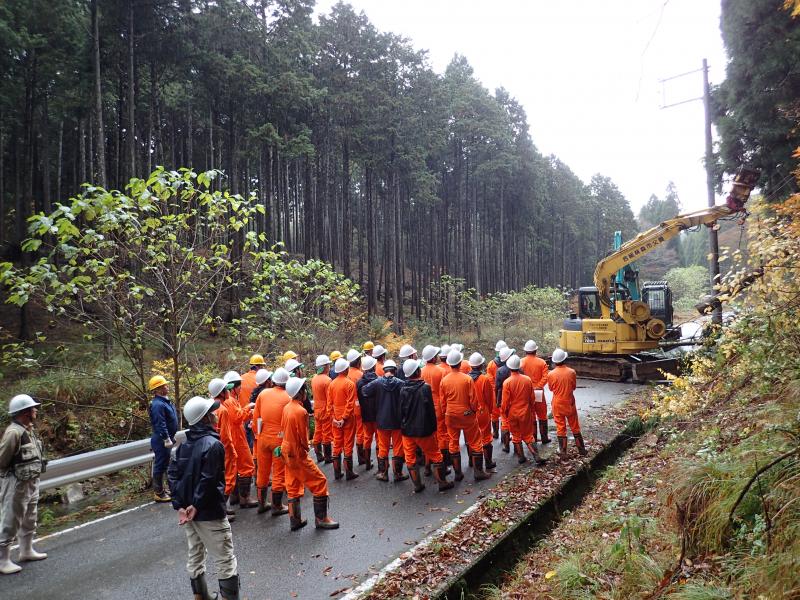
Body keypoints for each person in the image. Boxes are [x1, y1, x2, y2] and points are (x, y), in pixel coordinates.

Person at [168, 396, 240, 600]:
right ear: (205, 418)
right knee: (225, 559)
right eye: (212, 413)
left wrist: (180, 506)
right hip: (209, 512)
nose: (216, 415)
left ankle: (201, 597)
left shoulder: (180, 447)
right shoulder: (213, 445)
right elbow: (209, 480)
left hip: (189, 514)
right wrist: (196, 505)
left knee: (196, 554)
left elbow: (172, 477)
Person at [278, 377, 339, 531]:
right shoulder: (301, 411)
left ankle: (295, 520)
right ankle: (321, 519)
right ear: (301, 393)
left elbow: (283, 429)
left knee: (292, 485)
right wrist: (306, 449)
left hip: (286, 451)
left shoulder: (287, 407)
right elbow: (303, 438)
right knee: (319, 481)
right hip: (297, 453)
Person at [0, 394, 47, 575]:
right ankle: (3, 561)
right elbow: (2, 460)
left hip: (30, 481)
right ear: (25, 412)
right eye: (32, 408)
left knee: (29, 517)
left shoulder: (27, 429)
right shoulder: (14, 432)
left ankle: (26, 551)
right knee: (10, 520)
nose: (36, 410)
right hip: (16, 482)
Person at [399, 360, 453, 493]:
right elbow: (429, 410)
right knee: (435, 455)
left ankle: (417, 485)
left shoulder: (402, 389)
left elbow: (401, 411)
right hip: (423, 430)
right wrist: (433, 428)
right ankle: (442, 483)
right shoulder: (425, 388)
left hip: (408, 431)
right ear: (417, 371)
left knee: (410, 458)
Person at [440, 350, 491, 482]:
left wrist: (447, 413)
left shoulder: (444, 380)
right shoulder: (467, 379)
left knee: (453, 442)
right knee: (475, 442)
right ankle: (478, 472)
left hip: (450, 415)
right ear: (460, 363)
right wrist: (473, 411)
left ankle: (458, 474)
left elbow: (442, 402)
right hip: (466, 415)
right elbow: (473, 400)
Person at [252, 368, 291, 516]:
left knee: (262, 470)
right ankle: (277, 505)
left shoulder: (263, 394)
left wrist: (258, 433)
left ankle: (261, 503)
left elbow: (256, 417)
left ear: (273, 381)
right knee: (278, 471)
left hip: (262, 439)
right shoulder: (288, 397)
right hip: (278, 440)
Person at [361, 360, 407, 482]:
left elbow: (364, 391)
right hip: (397, 421)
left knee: (383, 446)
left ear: (384, 371)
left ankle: (383, 473)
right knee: (398, 447)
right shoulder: (401, 383)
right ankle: (398, 473)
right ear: (395, 370)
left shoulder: (377, 383)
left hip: (381, 420)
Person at [501, 356, 546, 465]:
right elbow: (532, 398)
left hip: (512, 412)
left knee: (516, 435)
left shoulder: (507, 382)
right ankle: (536, 456)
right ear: (519, 366)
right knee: (528, 435)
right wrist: (530, 409)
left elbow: (505, 402)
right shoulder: (527, 380)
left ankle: (521, 457)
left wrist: (505, 413)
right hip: (525, 411)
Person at [223, 371, 257, 508]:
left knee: (235, 468)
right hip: (237, 437)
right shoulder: (230, 401)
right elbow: (237, 418)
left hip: (234, 435)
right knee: (247, 466)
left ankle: (235, 496)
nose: (241, 389)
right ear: (233, 387)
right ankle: (245, 498)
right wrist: (249, 409)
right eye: (239, 386)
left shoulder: (229, 400)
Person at [546, 349, 587, 457]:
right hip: (569, 403)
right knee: (575, 426)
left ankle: (563, 451)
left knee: (560, 427)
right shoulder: (571, 372)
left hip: (557, 403)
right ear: (565, 359)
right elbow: (573, 387)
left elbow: (550, 388)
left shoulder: (551, 374)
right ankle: (581, 450)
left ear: (554, 361)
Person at [209, 378, 238, 518]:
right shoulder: (222, 410)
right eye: (226, 390)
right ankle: (221, 510)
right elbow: (225, 435)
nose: (228, 391)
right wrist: (232, 451)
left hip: (213, 447)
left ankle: (223, 508)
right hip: (224, 448)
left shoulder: (211, 406)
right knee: (229, 478)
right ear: (221, 393)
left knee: (219, 479)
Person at [148, 375, 178, 502]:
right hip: (161, 440)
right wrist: (166, 438)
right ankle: (158, 493)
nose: (167, 386)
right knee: (160, 465)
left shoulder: (164, 401)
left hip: (166, 438)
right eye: (164, 385)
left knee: (165, 464)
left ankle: (163, 489)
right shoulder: (157, 405)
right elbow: (160, 423)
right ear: (158, 389)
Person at [420, 344, 449, 476]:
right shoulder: (441, 372)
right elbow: (444, 391)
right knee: (441, 434)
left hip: (424, 407)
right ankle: (442, 464)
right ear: (433, 358)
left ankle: (427, 466)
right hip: (438, 406)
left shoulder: (419, 371)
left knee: (429, 437)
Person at [329, 358, 359, 481]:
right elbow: (350, 403)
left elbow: (329, 404)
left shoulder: (331, 384)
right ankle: (349, 472)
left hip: (335, 418)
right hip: (347, 419)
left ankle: (337, 472)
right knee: (348, 444)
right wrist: (344, 418)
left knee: (337, 443)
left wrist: (334, 418)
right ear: (346, 369)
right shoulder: (350, 384)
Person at [467, 352, 497, 470]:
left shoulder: (466, 378)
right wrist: (489, 411)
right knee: (486, 437)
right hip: (482, 411)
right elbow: (489, 398)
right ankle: (488, 462)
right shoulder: (484, 379)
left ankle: (471, 461)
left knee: (472, 438)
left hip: (471, 412)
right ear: (481, 365)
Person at [519, 340, 551, 444]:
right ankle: (544, 438)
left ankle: (533, 438)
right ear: (535, 350)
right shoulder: (541, 362)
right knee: (542, 415)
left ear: (525, 351)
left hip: (526, 393)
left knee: (531, 415)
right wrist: (538, 386)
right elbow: (546, 377)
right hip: (538, 392)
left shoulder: (521, 362)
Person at [356, 355, 379, 471]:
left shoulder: (359, 383)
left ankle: (367, 463)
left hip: (365, 414)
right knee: (379, 438)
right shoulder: (379, 380)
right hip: (377, 414)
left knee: (367, 438)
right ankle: (382, 464)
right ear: (374, 367)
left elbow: (357, 401)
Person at [239, 355, 266, 451]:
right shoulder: (260, 380)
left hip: (242, 416)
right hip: (255, 417)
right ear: (258, 366)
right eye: (262, 367)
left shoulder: (241, 379)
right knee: (256, 444)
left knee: (246, 445)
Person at [311, 355, 333, 464]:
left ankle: (319, 455)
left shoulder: (314, 379)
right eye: (328, 365)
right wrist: (331, 412)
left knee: (317, 431)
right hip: (325, 409)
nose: (329, 367)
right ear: (325, 367)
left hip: (317, 409)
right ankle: (328, 456)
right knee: (326, 433)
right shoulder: (327, 380)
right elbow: (329, 398)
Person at [345, 349, 366, 465]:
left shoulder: (346, 374)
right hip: (358, 407)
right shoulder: (360, 375)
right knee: (360, 432)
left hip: (348, 407)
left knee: (348, 435)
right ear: (358, 361)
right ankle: (361, 457)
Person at [494, 347, 516, 453]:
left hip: (503, 399)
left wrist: (497, 400)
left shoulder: (500, 371)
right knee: (516, 424)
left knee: (505, 422)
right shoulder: (519, 368)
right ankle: (517, 448)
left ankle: (506, 445)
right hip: (516, 400)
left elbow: (497, 387)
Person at [487, 340, 507, 439]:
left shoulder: (491, 364)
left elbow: (489, 378)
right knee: (504, 414)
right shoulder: (509, 362)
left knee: (495, 414)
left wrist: (495, 388)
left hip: (495, 392)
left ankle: (495, 433)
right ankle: (505, 437)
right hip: (507, 391)